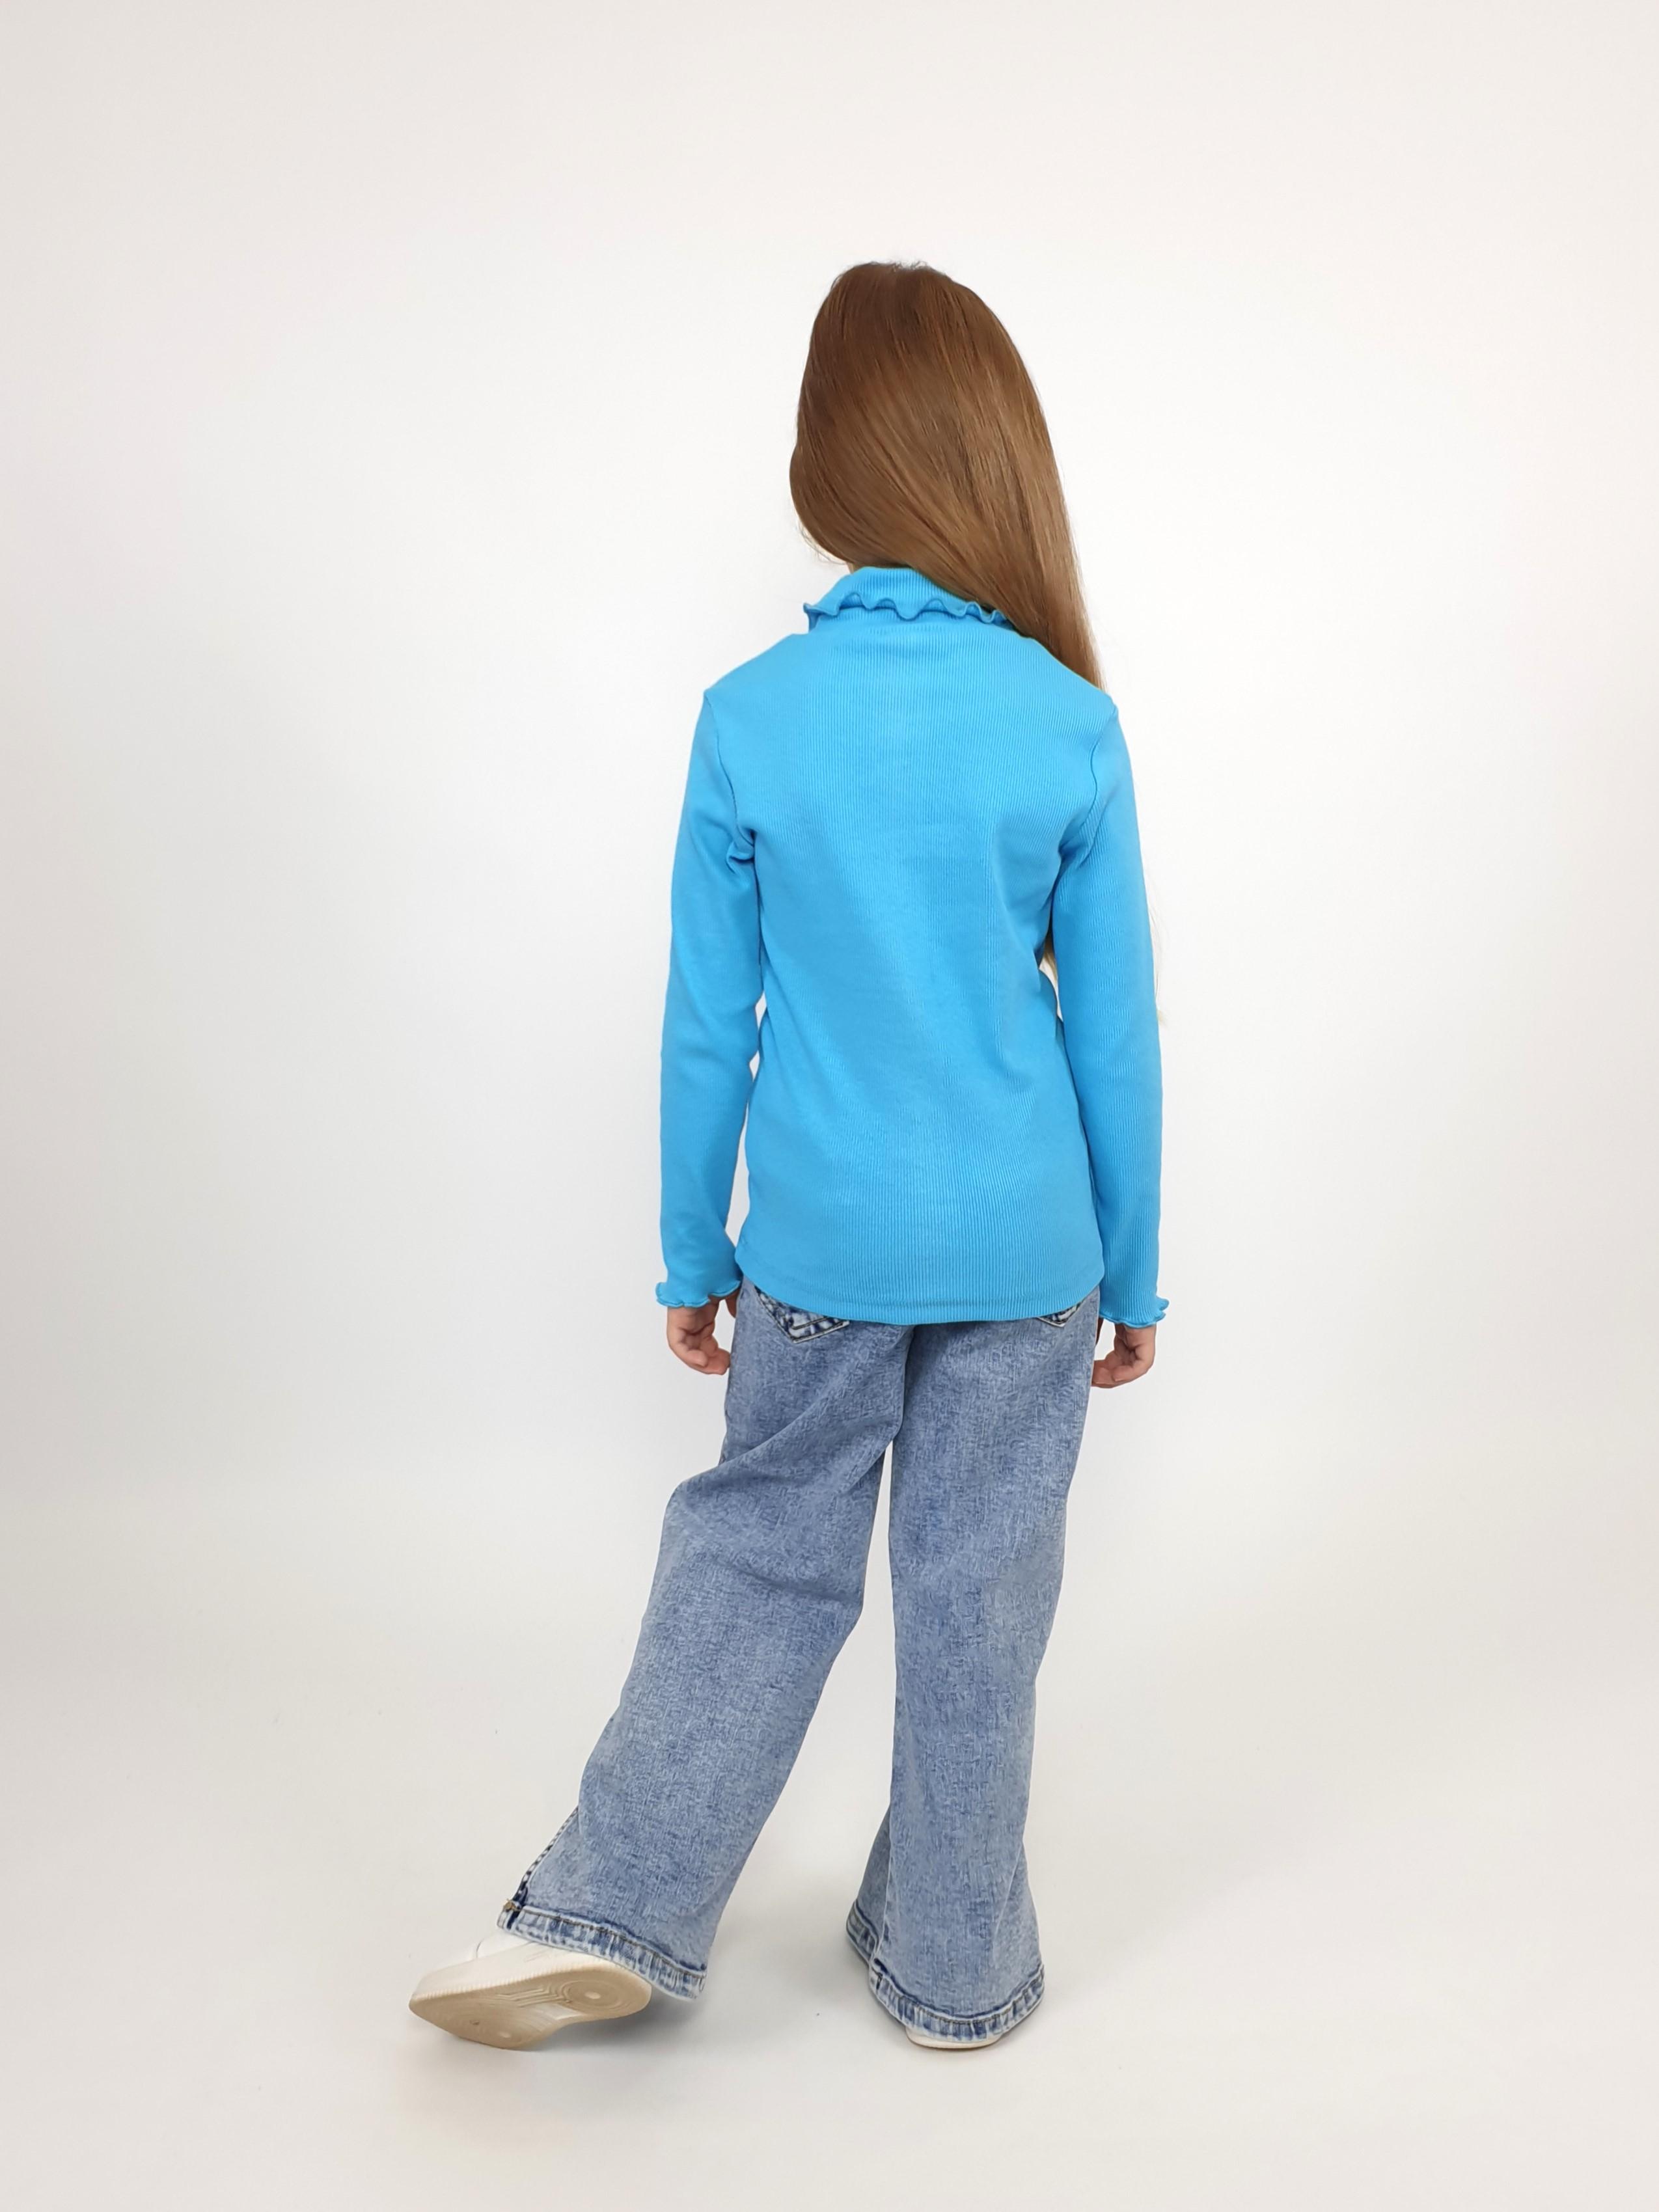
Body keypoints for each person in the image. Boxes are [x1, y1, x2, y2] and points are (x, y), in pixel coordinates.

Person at [409, 260, 1166, 2055]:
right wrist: (1133, 1276)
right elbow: (1114, 1034)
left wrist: (694, 1257)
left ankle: (618, 1902)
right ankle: (958, 1967)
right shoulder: (1066, 718)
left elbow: (708, 1024)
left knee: (761, 1554)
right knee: (980, 1599)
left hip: (819, 1247)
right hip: (1031, 1254)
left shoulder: (752, 715)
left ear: (826, 464)